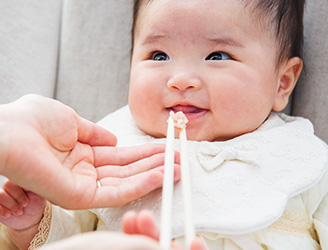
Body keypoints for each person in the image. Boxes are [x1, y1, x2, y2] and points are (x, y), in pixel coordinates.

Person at [2, 0, 328, 249]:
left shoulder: (302, 156)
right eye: (159, 55)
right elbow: (74, 232)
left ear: (282, 83)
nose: (180, 79)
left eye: (217, 56)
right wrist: (35, 224)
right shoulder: (110, 146)